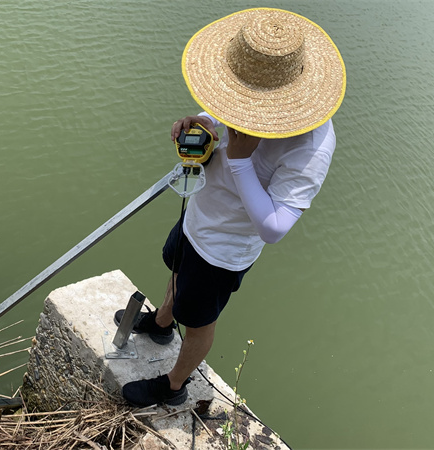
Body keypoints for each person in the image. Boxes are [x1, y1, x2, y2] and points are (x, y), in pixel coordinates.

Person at [117, 8, 346, 407]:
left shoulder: (311, 146)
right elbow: (222, 115)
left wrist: (240, 162)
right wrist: (202, 122)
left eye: (245, 102)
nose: (236, 110)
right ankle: (161, 323)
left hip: (222, 250)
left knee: (199, 320)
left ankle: (174, 385)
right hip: (197, 215)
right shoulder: (240, 101)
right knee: (175, 268)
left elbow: (274, 228)